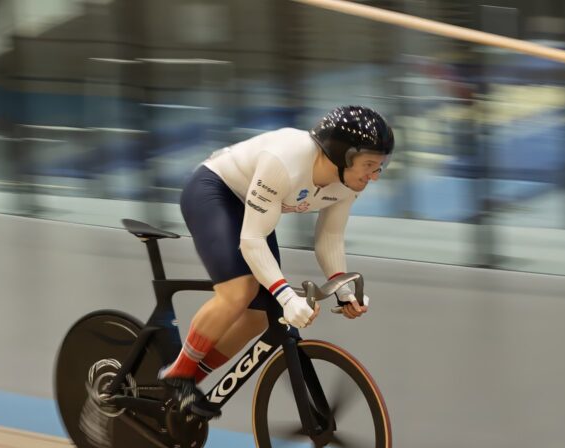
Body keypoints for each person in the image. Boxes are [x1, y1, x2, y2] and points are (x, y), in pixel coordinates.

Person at [159, 105, 394, 417]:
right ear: (341, 155)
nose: (374, 176)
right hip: (215, 190)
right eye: (369, 165)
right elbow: (252, 241)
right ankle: (176, 376)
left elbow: (329, 238)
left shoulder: (348, 182)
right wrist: (286, 296)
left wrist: (344, 290)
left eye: (379, 167)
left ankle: (188, 385)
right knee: (240, 291)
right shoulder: (285, 161)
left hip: (254, 209)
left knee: (259, 316)